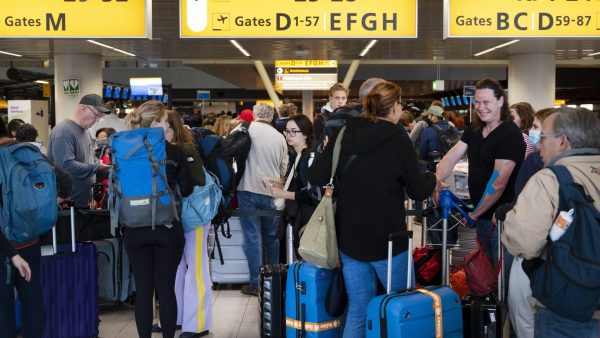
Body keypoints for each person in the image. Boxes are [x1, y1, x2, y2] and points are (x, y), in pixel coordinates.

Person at [308, 81, 437, 338]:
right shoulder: (398, 137)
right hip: (387, 239)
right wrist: (433, 179)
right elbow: (417, 190)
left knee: (358, 308)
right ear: (394, 107)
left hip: (350, 237)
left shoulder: (345, 132)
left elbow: (315, 174)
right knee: (402, 306)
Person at [502, 107, 600, 338]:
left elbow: (522, 243)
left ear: (563, 142)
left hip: (567, 307)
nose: (537, 145)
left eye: (542, 137)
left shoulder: (550, 179)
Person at [122, 101, 200, 338]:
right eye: (165, 121)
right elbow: (187, 188)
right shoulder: (172, 150)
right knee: (166, 290)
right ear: (154, 123)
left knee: (144, 291)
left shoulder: (124, 149)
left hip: (134, 227)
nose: (168, 125)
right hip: (167, 228)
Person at [435, 78, 525, 266]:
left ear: (500, 101)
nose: (480, 107)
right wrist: (436, 180)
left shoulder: (509, 134)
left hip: (501, 221)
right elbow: (452, 157)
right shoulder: (475, 129)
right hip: (483, 219)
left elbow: (498, 182)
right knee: (486, 276)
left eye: (486, 102)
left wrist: (474, 215)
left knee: (501, 278)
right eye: (477, 102)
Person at [0, 117, 73, 338]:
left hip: (5, 246)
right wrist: (52, 200)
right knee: (32, 302)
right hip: (32, 239)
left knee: (3, 308)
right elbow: (66, 180)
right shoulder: (29, 152)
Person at [163, 111, 211, 338]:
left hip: (196, 217)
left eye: (159, 123)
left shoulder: (186, 149)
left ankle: (198, 323)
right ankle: (178, 318)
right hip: (178, 217)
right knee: (177, 270)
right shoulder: (165, 150)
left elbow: (195, 183)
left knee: (197, 269)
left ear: (171, 126)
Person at [236, 103, 288, 296]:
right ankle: (273, 280)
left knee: (252, 237)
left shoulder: (243, 129)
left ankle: (254, 283)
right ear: (272, 117)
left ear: (255, 115)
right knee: (271, 238)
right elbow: (284, 169)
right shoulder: (279, 137)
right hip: (272, 192)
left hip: (246, 189)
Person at [48, 94, 112, 209]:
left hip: (82, 203)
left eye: (100, 116)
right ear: (83, 108)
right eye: (96, 115)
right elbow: (66, 166)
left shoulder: (85, 131)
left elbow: (87, 159)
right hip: (68, 206)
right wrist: (96, 168)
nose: (97, 120)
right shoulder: (64, 132)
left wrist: (102, 167)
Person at [269, 114, 318, 258]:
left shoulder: (309, 157)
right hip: (299, 218)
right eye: (286, 131)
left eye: (293, 131)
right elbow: (296, 184)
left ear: (306, 133)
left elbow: (312, 194)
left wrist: (284, 194)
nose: (288, 135)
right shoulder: (298, 155)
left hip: (307, 220)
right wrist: (277, 183)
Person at [418, 105, 458, 170]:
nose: (428, 118)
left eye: (429, 115)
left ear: (434, 117)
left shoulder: (427, 131)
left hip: (434, 168)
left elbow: (422, 154)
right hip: (452, 167)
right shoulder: (453, 128)